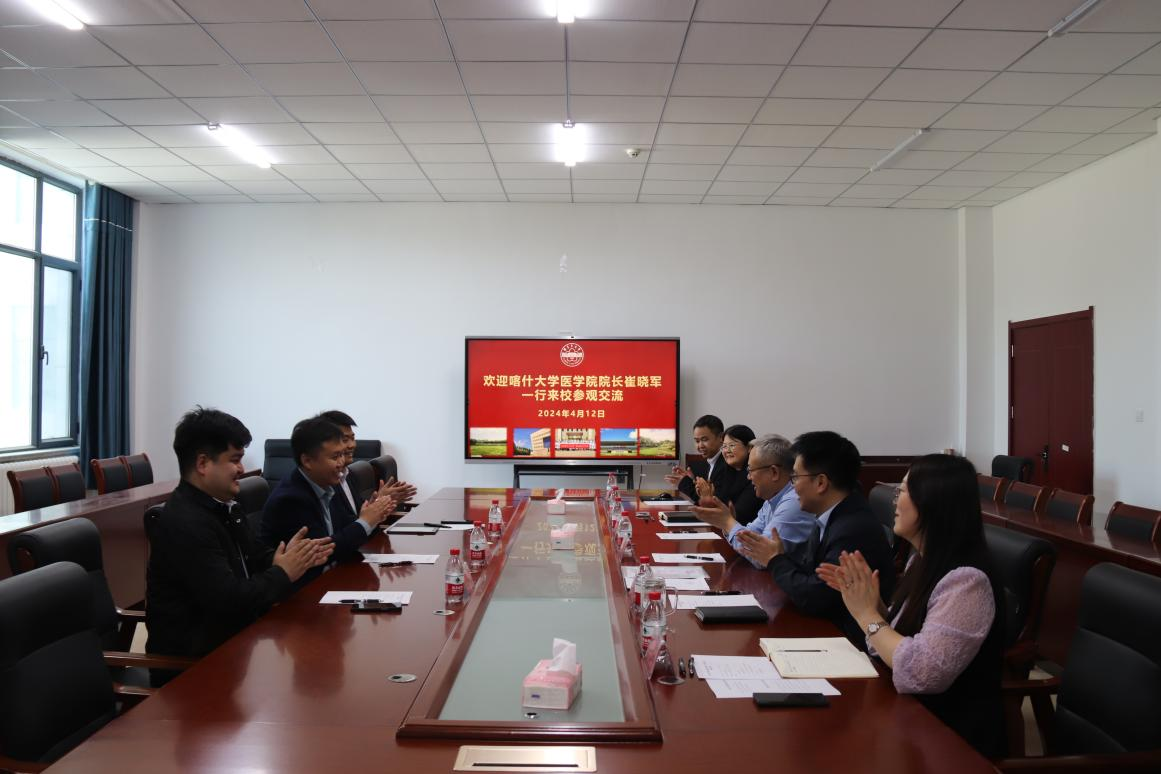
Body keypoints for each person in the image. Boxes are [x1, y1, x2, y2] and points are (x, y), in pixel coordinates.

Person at [816, 454, 1005, 758]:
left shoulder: (967, 582)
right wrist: (873, 606)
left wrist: (867, 615)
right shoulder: (923, 560)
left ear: (932, 502)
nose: (895, 500)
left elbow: (922, 672)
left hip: (948, 742)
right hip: (909, 718)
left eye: (903, 491)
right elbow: (904, 639)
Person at [146, 407, 333, 684]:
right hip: (194, 670)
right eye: (235, 460)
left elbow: (253, 556)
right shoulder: (185, 523)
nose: (242, 469)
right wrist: (283, 572)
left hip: (238, 647)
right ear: (202, 464)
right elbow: (229, 600)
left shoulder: (223, 507)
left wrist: (285, 557)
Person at [735, 430, 895, 646]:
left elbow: (815, 598)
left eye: (795, 477)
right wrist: (778, 557)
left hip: (849, 642)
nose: (792, 486)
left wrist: (775, 560)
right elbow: (809, 575)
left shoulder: (852, 529)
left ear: (821, 483)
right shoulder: (831, 514)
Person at [259, 417, 396, 582]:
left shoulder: (327, 484)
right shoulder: (291, 499)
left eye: (342, 455)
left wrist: (373, 515)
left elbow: (347, 533)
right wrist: (366, 521)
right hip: (305, 589)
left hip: (336, 576)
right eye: (335, 457)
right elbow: (324, 551)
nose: (341, 463)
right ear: (307, 461)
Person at [691, 434, 816, 568]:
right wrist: (727, 524)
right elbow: (750, 536)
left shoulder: (794, 502)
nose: (748, 477)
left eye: (751, 470)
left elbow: (761, 557)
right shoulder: (771, 499)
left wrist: (728, 523)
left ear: (774, 472)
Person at [318, 409, 416, 521]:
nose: (352, 445)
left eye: (353, 438)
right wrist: (379, 502)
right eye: (345, 440)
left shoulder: (349, 475)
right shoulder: (327, 482)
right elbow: (347, 525)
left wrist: (380, 501)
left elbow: (360, 517)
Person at [694, 424, 762, 524]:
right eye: (724, 446)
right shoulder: (724, 471)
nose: (727, 451)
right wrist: (708, 498)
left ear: (749, 447)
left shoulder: (755, 475)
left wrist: (710, 500)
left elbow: (738, 515)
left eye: (732, 445)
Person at [664, 415, 727, 500]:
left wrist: (684, 483)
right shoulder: (706, 464)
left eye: (704, 440)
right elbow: (702, 497)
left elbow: (712, 502)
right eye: (697, 441)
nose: (700, 445)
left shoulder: (727, 465)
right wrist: (692, 481)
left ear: (721, 438)